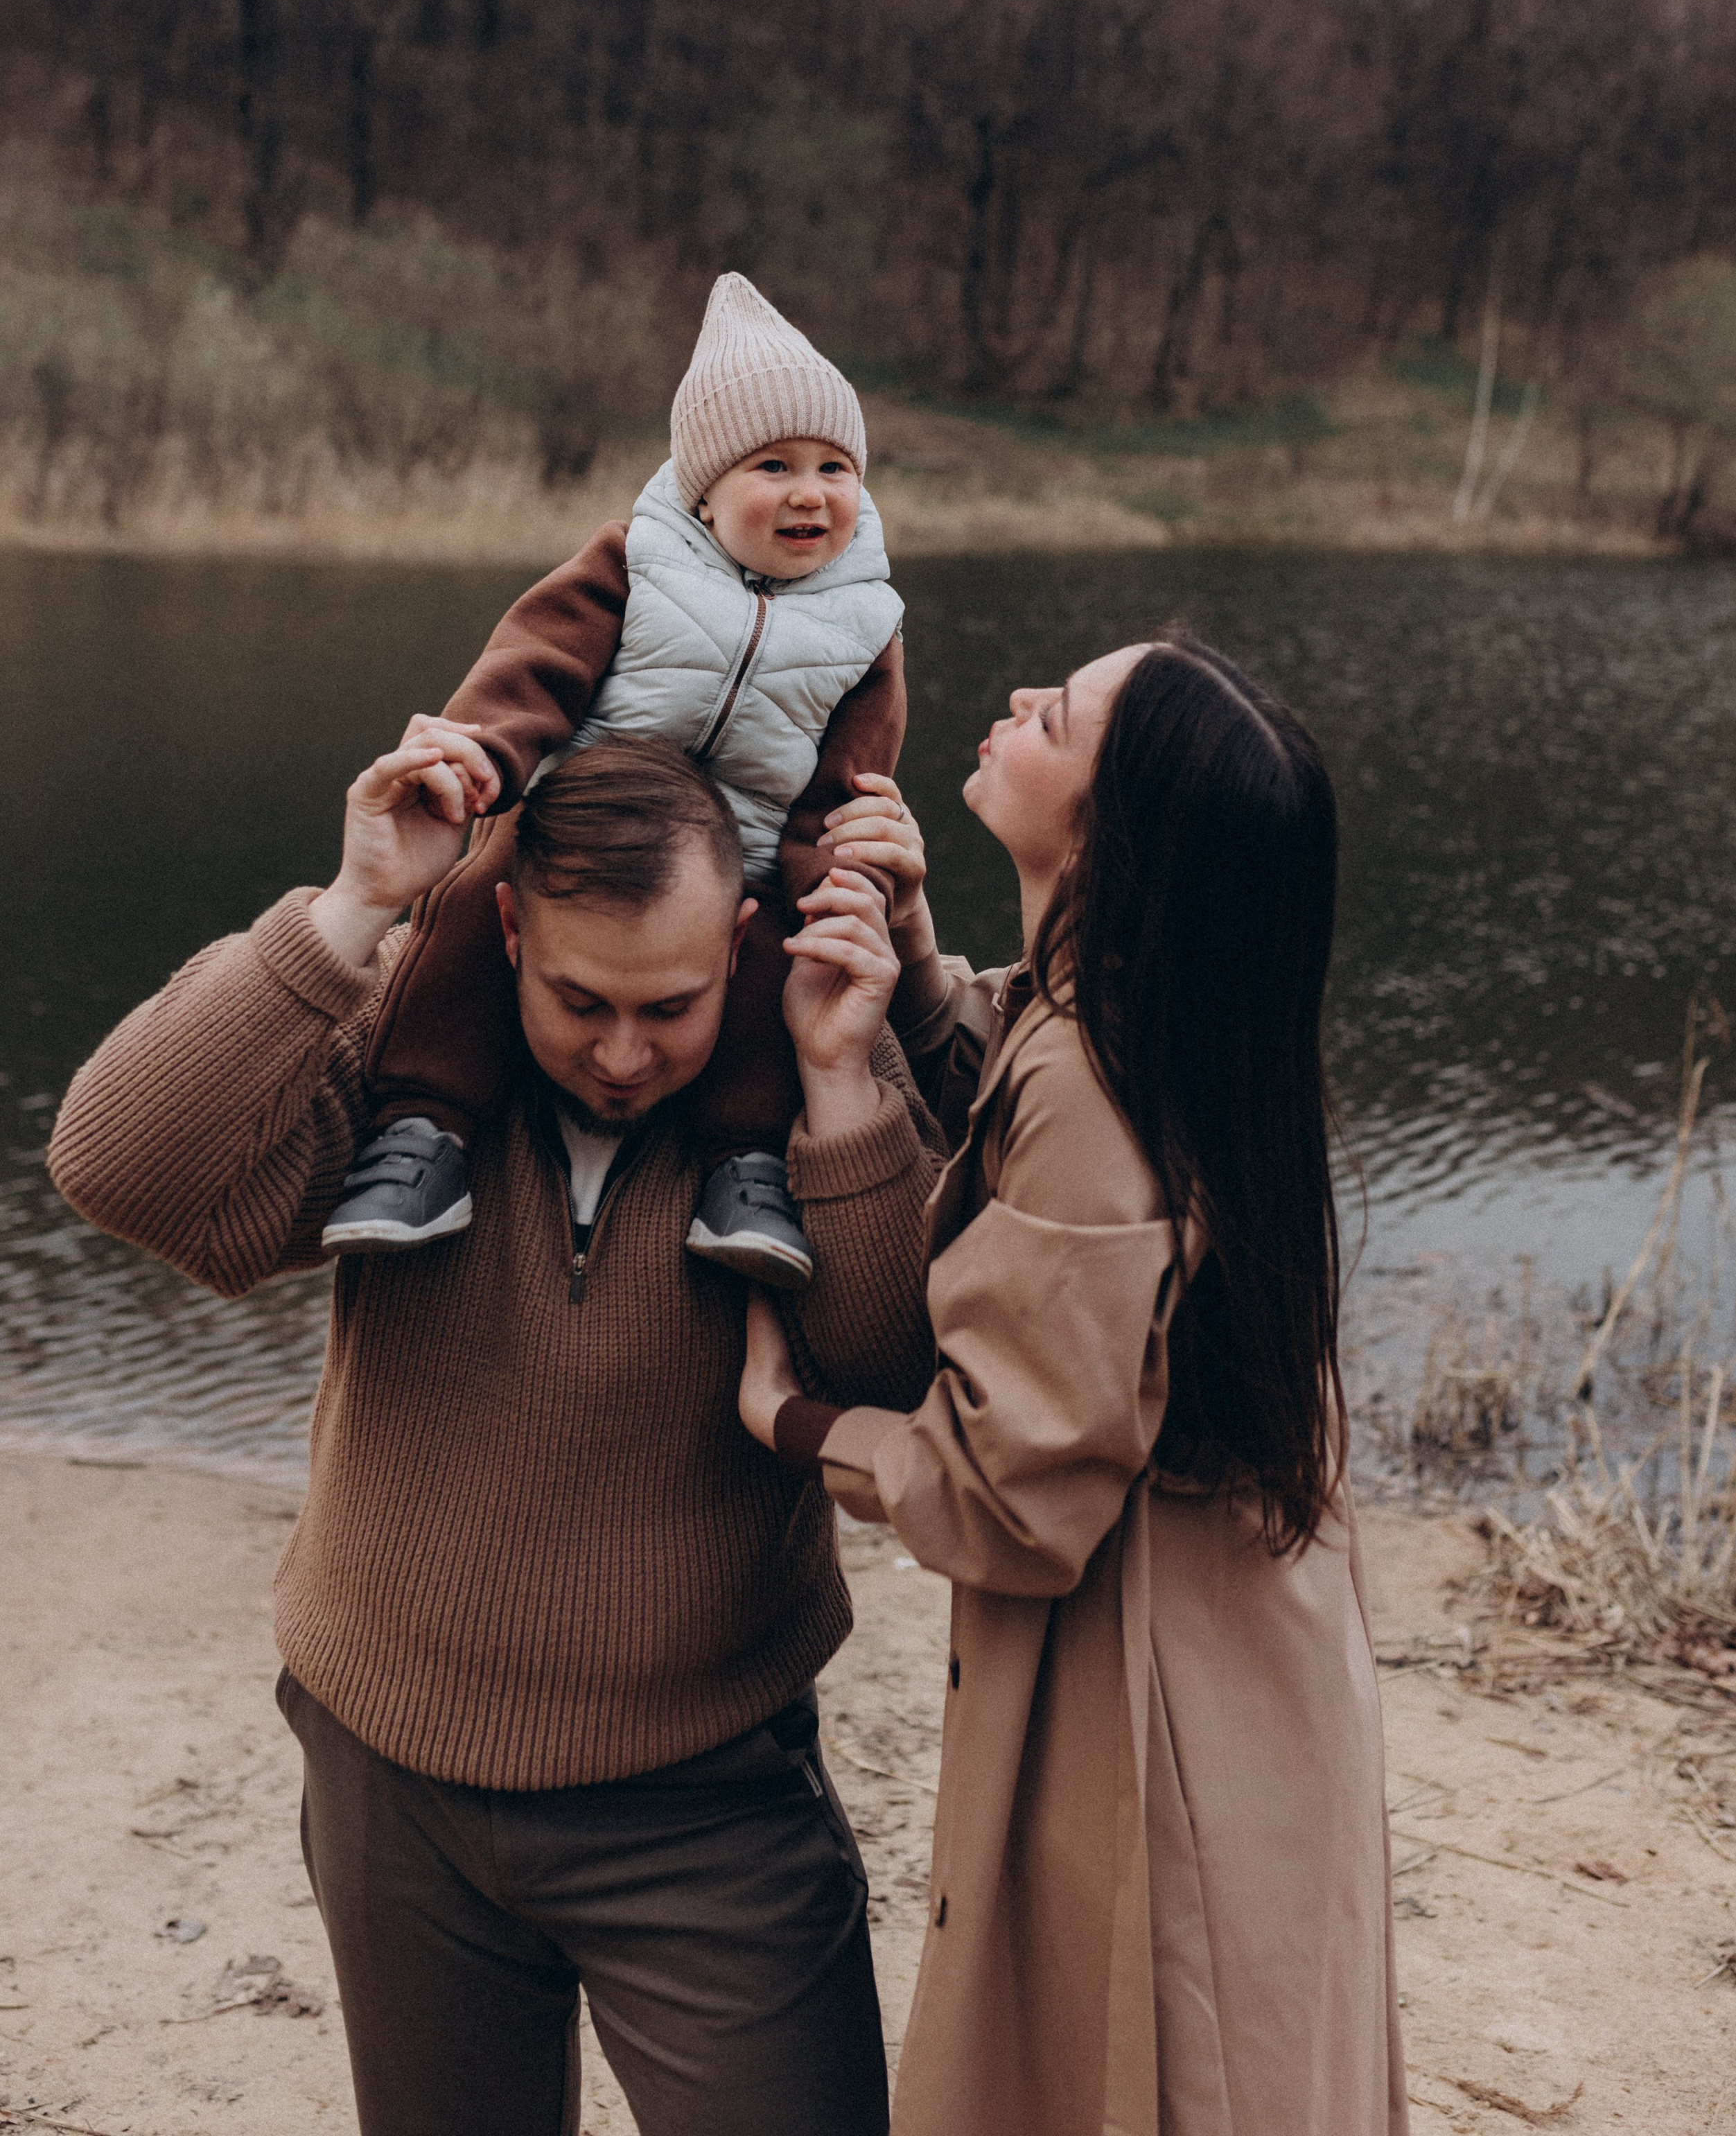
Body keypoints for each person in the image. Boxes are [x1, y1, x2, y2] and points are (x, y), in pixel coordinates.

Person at [48, 727, 942, 2136]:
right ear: (511, 927)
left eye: (675, 1005)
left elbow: (893, 1372)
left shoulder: (813, 1101)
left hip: (709, 1806)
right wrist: (358, 909)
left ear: (745, 944)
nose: (625, 1054)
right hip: (390, 1788)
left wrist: (838, 1084)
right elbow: (117, 1165)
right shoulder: (400, 1078)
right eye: (583, 1000)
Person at [741, 633, 1412, 2136]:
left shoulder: (1094, 1085)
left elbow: (1005, 1500)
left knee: (1143, 2055)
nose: (1007, 709)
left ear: (1111, 840)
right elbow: (1013, 1069)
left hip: (1150, 1686)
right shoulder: (1158, 1019)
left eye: (1048, 718)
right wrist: (915, 969)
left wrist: (796, 1425)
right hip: (1250, 1656)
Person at [322, 268, 904, 1294]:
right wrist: (485, 759)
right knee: (467, 909)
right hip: (575, 819)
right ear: (705, 490)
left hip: (752, 848)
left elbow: (849, 772)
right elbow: (534, 666)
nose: (811, 492)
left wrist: (834, 876)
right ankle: (424, 1133)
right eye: (774, 464)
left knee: (771, 962)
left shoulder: (868, 619)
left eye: (836, 467)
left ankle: (746, 1168)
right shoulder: (640, 559)